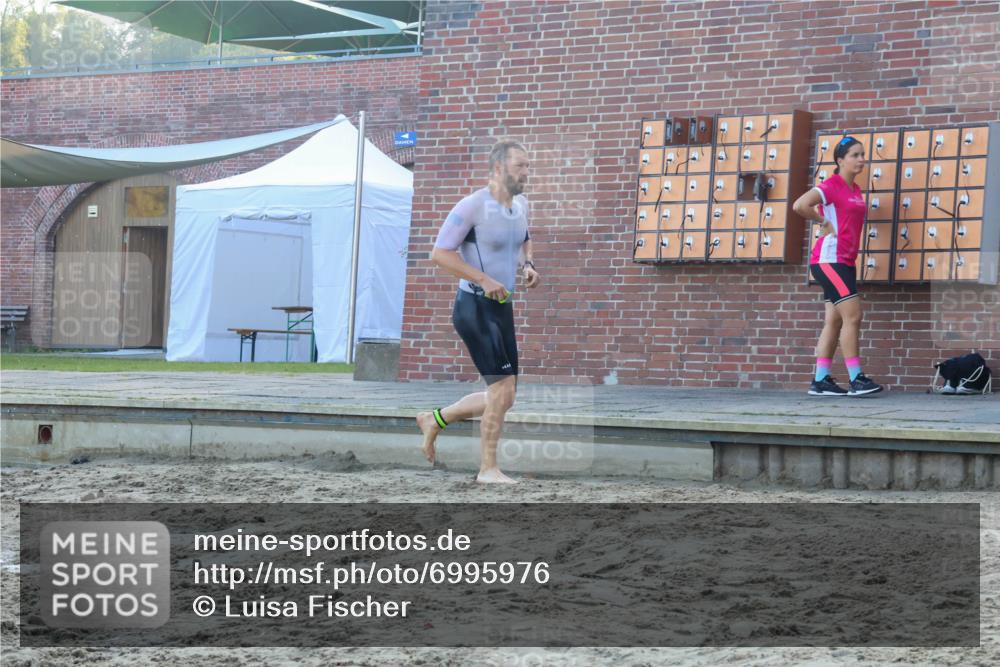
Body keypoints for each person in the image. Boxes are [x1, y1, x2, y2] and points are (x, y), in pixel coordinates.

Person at [416, 140, 541, 483]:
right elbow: (440, 254)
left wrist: (527, 264)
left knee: (505, 396)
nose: (526, 173)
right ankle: (488, 469)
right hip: (473, 306)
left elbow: (524, 237)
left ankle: (434, 419)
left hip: (502, 307)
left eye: (528, 166)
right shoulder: (472, 206)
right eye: (520, 166)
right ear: (499, 168)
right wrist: (483, 279)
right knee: (500, 392)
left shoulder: (522, 205)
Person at [793, 136, 883, 397]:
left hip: (844, 260)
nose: (861, 159)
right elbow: (800, 205)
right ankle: (856, 379)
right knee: (853, 317)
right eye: (855, 155)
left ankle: (821, 381)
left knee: (833, 320)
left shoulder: (855, 190)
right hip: (830, 260)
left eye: (863, 154)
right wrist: (822, 221)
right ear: (840, 160)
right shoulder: (830, 186)